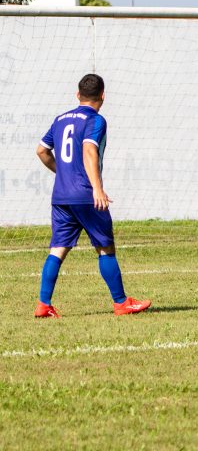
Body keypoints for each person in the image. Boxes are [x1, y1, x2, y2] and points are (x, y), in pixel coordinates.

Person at [34, 74, 151, 318]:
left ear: (78, 95)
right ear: (103, 96)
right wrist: (97, 187)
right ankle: (121, 303)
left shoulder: (60, 119)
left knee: (58, 249)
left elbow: (42, 151)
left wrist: (62, 172)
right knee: (105, 248)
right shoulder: (96, 120)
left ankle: (43, 305)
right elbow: (89, 149)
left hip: (61, 196)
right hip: (86, 194)